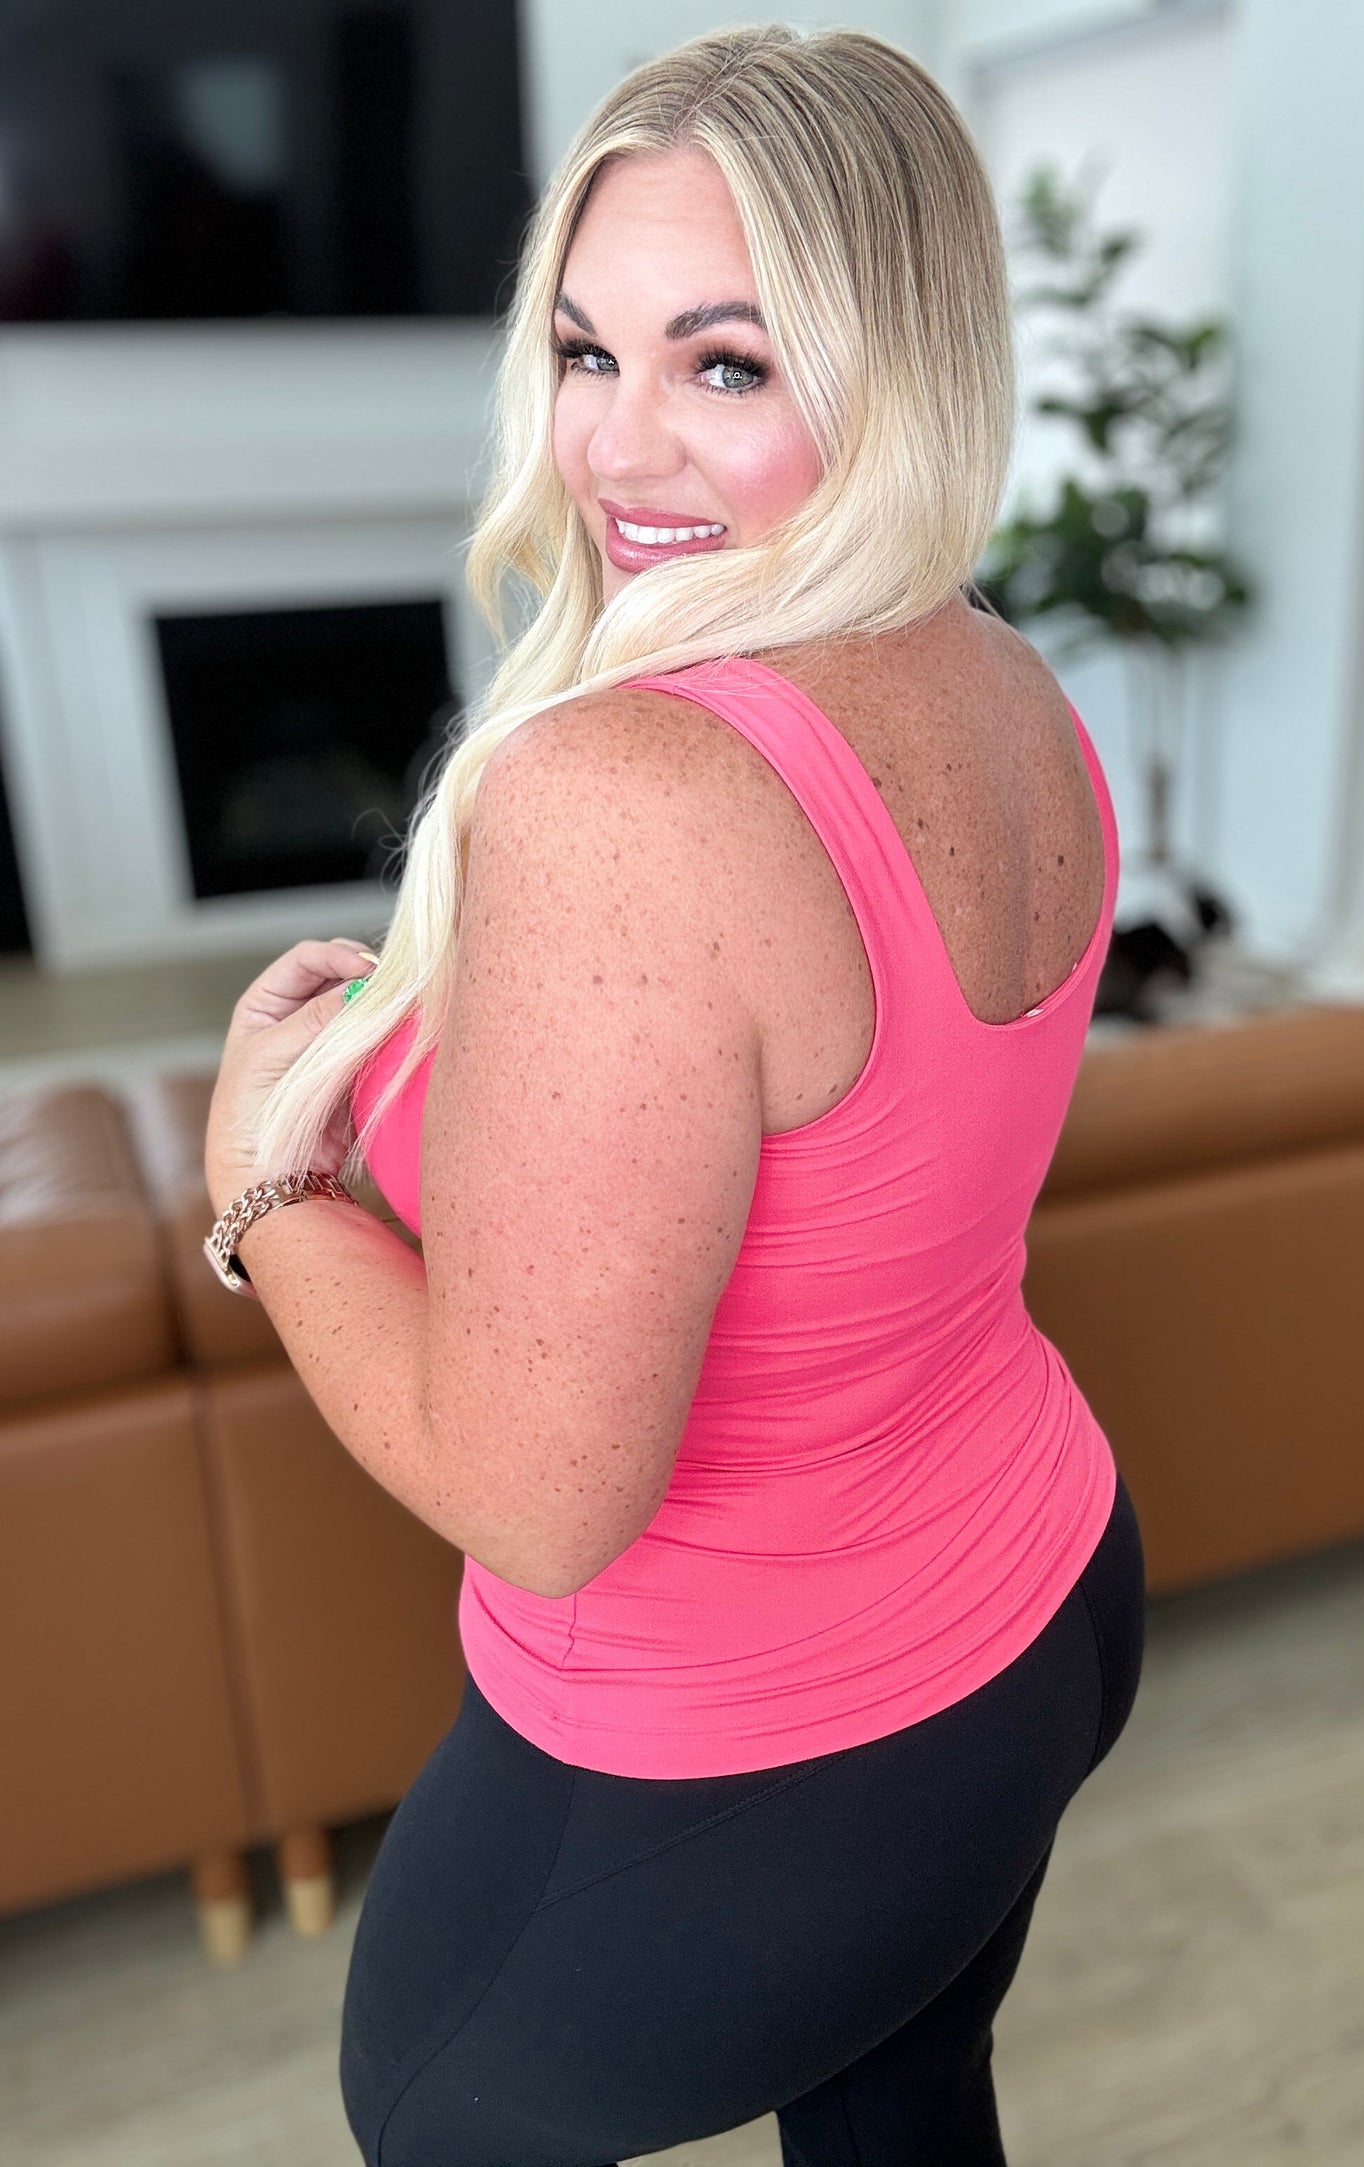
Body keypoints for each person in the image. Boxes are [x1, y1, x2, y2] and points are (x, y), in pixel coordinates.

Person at [201, 24, 1147, 2166]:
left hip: (751, 1769)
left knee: (431, 2118)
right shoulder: (1009, 681)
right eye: (583, 348)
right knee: (903, 2105)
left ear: (901, 368)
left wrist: (265, 1184)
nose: (617, 445)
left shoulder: (618, 793)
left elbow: (539, 1499)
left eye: (726, 363)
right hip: (1044, 1597)